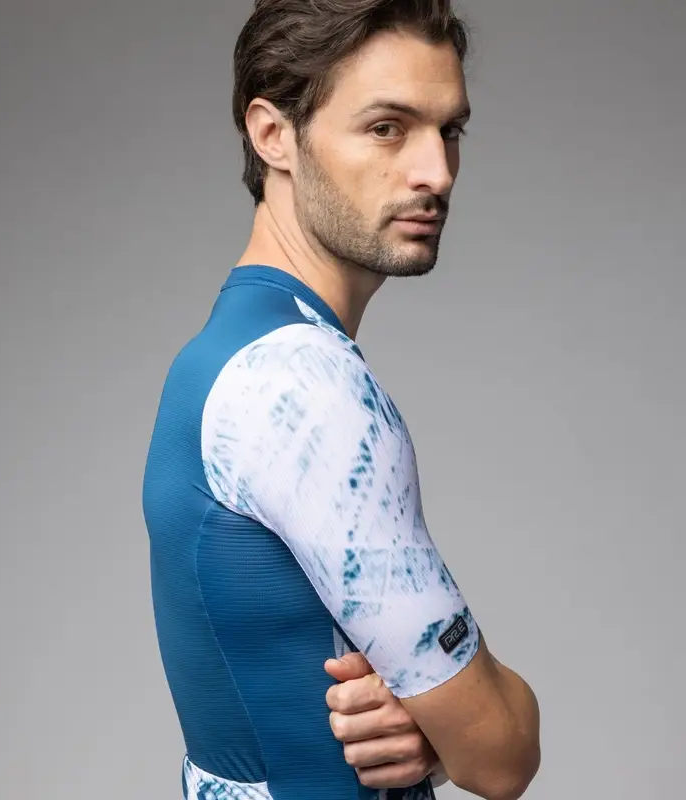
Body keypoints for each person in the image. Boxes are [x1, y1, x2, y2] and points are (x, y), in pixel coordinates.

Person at [141, 1, 541, 798]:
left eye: (449, 130)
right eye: (388, 128)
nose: (436, 172)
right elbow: (501, 756)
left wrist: (429, 727)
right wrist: (460, 724)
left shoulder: (226, 354)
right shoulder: (302, 386)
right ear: (273, 135)